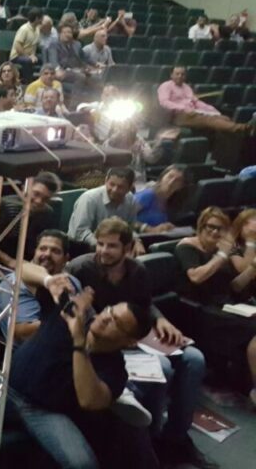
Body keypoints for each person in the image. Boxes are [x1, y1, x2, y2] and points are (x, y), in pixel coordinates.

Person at [0, 266, 155, 468]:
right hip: (7, 387)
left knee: (82, 464)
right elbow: (21, 269)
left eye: (116, 321)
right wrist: (49, 281)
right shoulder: (73, 312)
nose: (105, 317)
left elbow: (89, 400)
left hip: (46, 412)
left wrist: (78, 340)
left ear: (129, 341)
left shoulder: (115, 368)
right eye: (110, 310)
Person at [60, 217, 210, 468]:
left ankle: (175, 437)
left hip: (136, 332)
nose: (103, 251)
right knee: (163, 368)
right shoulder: (79, 268)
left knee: (195, 359)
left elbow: (145, 304)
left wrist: (160, 320)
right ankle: (148, 440)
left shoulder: (137, 270)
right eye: (100, 244)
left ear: (127, 249)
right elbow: (70, 314)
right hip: (106, 339)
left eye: (111, 246)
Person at [176, 207, 256, 408]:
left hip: (228, 306)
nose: (214, 232)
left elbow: (235, 286)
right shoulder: (187, 247)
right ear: (201, 227)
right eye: (211, 227)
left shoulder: (223, 252)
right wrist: (221, 256)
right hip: (200, 309)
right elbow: (196, 277)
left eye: (220, 229)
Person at [0, 229, 75, 342]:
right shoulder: (14, 284)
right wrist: (67, 320)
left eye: (55, 251)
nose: (47, 254)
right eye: (42, 249)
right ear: (35, 252)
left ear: (66, 259)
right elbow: (22, 334)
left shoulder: (71, 281)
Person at [0, 172, 61, 269]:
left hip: (26, 264)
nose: (39, 201)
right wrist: (9, 261)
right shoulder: (4, 204)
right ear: (24, 188)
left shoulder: (47, 212)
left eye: (45, 199)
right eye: (36, 194)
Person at [68, 167, 146, 255]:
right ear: (106, 181)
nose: (114, 190)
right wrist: (104, 246)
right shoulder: (89, 199)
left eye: (120, 187)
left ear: (129, 187)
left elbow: (130, 228)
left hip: (115, 247)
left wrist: (137, 241)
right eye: (111, 184)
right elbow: (80, 232)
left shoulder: (130, 199)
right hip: (83, 248)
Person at [158, 66, 253, 136]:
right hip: (178, 115)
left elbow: (196, 102)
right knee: (208, 119)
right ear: (171, 75)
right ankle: (244, 128)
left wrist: (212, 110)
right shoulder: (166, 86)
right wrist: (183, 108)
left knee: (224, 118)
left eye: (182, 74)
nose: (180, 76)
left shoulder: (186, 87)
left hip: (193, 112)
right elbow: (164, 102)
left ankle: (241, 132)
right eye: (177, 74)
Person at [133, 164, 187, 232]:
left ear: (181, 186)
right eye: (170, 177)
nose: (171, 182)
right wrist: (148, 229)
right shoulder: (147, 195)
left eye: (177, 180)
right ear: (162, 177)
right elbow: (123, 218)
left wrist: (166, 226)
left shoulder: (171, 201)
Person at [10, 7, 42, 80]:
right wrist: (29, 56)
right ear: (37, 18)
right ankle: (27, 81)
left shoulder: (37, 29)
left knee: (43, 58)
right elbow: (17, 46)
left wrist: (32, 55)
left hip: (31, 55)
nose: (42, 20)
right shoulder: (24, 29)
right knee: (28, 61)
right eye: (41, 18)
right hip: (17, 56)